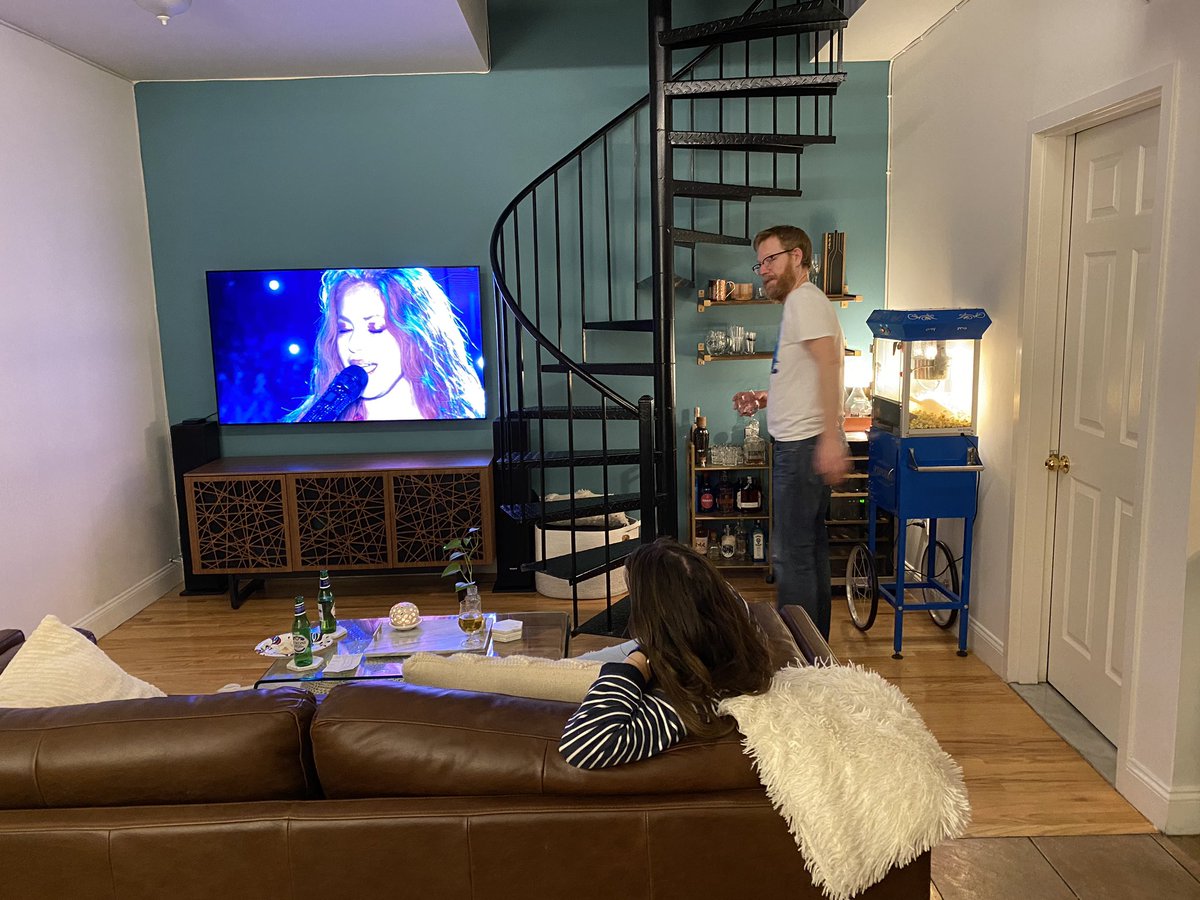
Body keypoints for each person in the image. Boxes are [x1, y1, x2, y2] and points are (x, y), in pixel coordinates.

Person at [559, 538, 776, 770]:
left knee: (563, 672)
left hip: (656, 655)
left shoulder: (686, 699)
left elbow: (584, 746)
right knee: (577, 662)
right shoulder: (733, 622)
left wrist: (635, 664)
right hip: (667, 646)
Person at [732, 225, 848, 640]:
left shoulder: (804, 300)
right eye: (760, 263)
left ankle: (797, 654)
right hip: (802, 444)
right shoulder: (803, 303)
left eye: (771, 259)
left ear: (797, 257)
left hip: (802, 447)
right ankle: (814, 652)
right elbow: (807, 373)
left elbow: (829, 364)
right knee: (808, 552)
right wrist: (764, 398)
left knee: (791, 556)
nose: (763, 270)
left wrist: (831, 438)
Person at [287, 268, 485, 421]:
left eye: (375, 328)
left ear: (416, 333)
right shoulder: (312, 421)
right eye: (344, 329)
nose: (354, 345)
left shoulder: (463, 416)